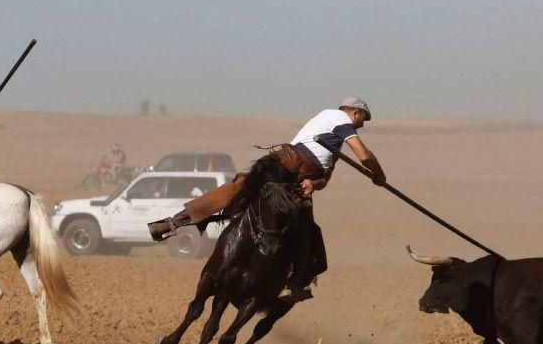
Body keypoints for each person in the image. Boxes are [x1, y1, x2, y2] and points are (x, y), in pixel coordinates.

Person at [148, 96, 386, 300]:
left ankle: (292, 283)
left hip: (301, 180)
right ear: (355, 112)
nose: (361, 125)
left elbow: (325, 179)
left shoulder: (332, 140)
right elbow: (364, 156)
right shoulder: (339, 119)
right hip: (288, 163)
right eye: (362, 119)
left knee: (301, 225)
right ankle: (172, 223)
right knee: (243, 190)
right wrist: (379, 176)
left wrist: (313, 184)